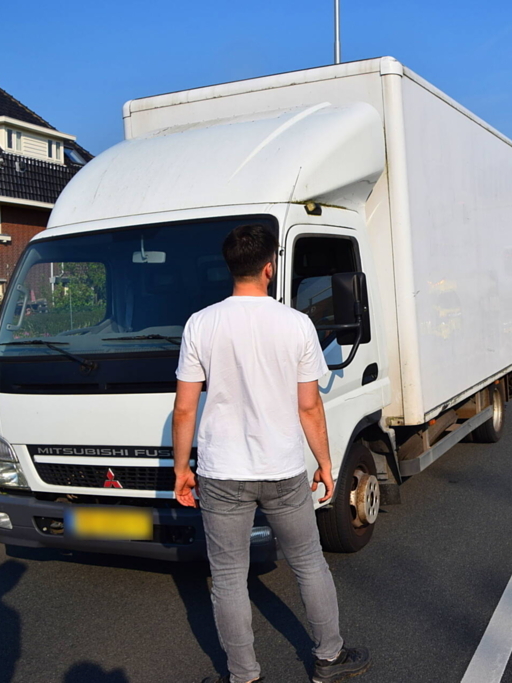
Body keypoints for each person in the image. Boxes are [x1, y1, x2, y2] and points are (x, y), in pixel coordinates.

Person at [173, 224, 371, 683]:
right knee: (308, 563)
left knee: (226, 578)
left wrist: (183, 469)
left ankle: (244, 676)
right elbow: (309, 406)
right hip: (282, 469)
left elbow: (185, 408)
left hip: (221, 473)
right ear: (269, 268)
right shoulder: (296, 324)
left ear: (231, 269)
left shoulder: (200, 324)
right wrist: (325, 463)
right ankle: (328, 658)